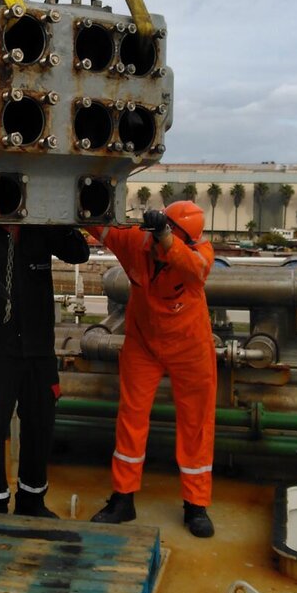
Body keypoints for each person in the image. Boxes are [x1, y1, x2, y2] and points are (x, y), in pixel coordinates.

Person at [87, 201, 217, 537]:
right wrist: (84, 201)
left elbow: (197, 269)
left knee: (196, 422)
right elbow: (98, 227)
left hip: (190, 348)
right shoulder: (135, 241)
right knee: (131, 416)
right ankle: (123, 498)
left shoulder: (198, 253)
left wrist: (167, 240)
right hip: (143, 344)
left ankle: (196, 504)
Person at [0, 223, 90, 517]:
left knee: (40, 423)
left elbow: (79, 253)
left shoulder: (42, 229)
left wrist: (59, 220)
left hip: (37, 348)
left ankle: (32, 500)